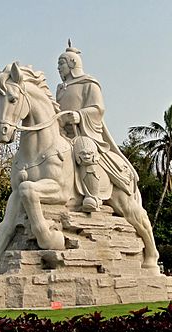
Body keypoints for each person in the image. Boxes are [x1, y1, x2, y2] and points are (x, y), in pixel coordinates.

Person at [56, 42, 139, 212]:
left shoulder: (89, 83)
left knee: (84, 149)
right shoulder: (60, 89)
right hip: (63, 132)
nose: (58, 68)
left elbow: (98, 109)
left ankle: (92, 195)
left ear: (72, 63)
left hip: (84, 132)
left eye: (61, 63)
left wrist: (80, 115)